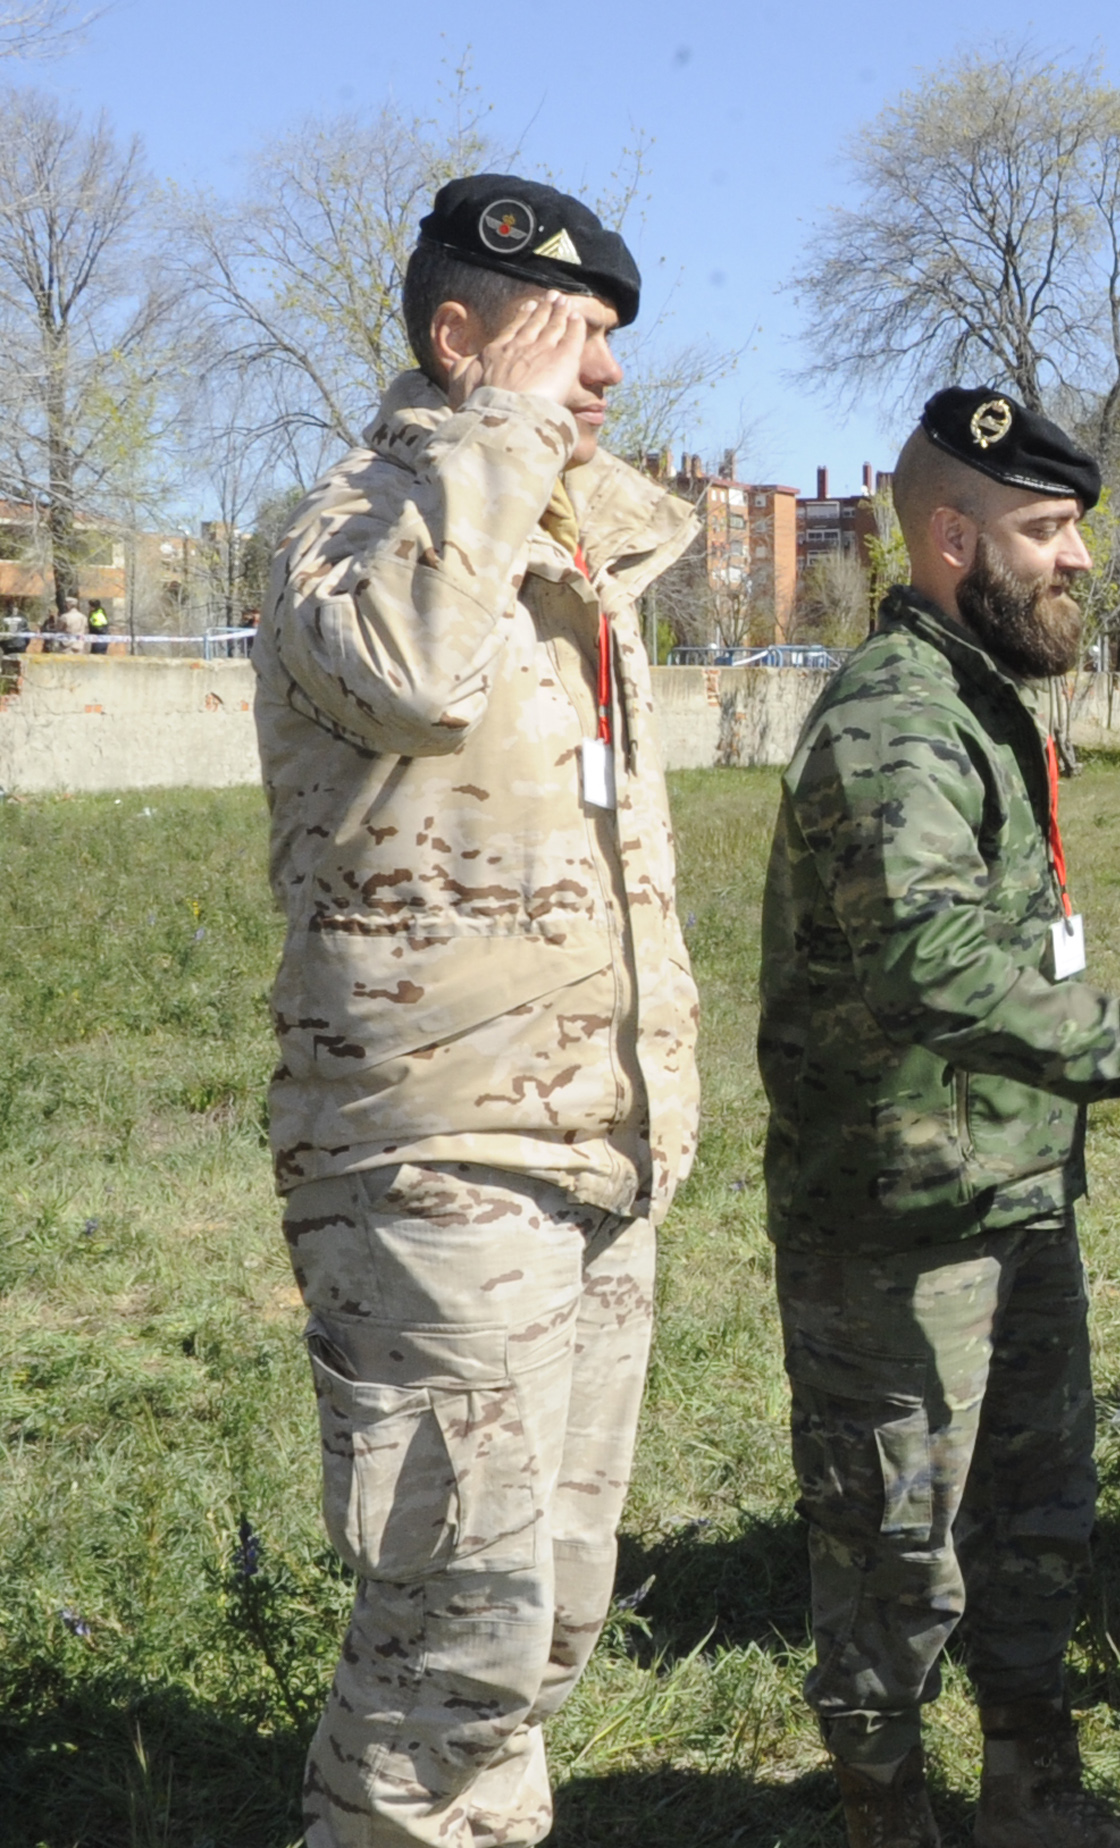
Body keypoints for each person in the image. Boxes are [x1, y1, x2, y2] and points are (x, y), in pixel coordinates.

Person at [760, 385, 1120, 1848]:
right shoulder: (895, 718)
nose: (1079, 558)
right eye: (1047, 529)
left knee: (1034, 1524)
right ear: (952, 540)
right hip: (898, 1224)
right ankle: (887, 1822)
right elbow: (929, 963)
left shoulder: (987, 703)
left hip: (1011, 1192)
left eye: (1076, 530)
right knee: (892, 1556)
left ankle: (1031, 1802)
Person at [255, 176, 698, 1847]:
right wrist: (499, 434)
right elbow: (411, 671)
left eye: (611, 340)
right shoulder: (356, 526)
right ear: (460, 339)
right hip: (431, 1154)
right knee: (456, 1627)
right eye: (573, 334)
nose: (607, 371)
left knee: (551, 1610)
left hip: (592, 1144)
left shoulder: (561, 555)